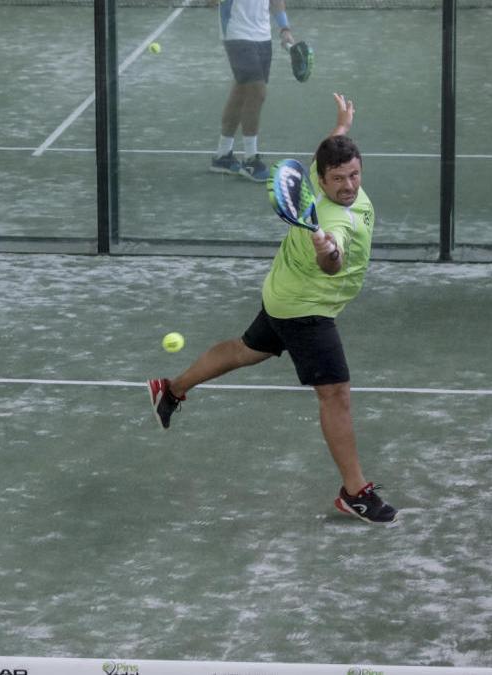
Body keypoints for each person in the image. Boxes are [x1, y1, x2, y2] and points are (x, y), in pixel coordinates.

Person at [150, 93, 398, 525]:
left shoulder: (329, 176)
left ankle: (170, 389)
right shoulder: (333, 221)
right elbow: (332, 260)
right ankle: (354, 492)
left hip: (281, 293)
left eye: (355, 175)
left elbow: (330, 152)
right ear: (321, 182)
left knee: (246, 350)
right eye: (338, 179)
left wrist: (340, 126)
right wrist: (328, 250)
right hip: (305, 309)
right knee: (335, 394)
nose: (349, 186)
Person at [208, 0, 296, 181]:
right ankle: (250, 159)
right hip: (236, 33)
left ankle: (222, 156)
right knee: (258, 92)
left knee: (241, 91)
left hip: (263, 36)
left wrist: (284, 28)